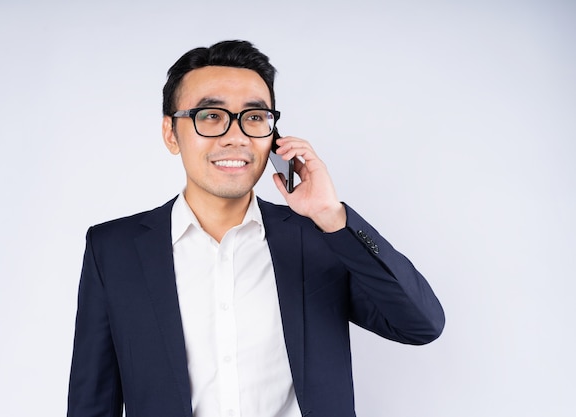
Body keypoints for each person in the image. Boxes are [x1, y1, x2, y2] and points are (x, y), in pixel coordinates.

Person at [67, 40, 445, 417]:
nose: (236, 136)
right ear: (171, 133)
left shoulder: (317, 239)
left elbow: (420, 324)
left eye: (254, 117)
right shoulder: (113, 250)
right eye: (211, 115)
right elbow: (91, 402)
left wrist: (331, 215)